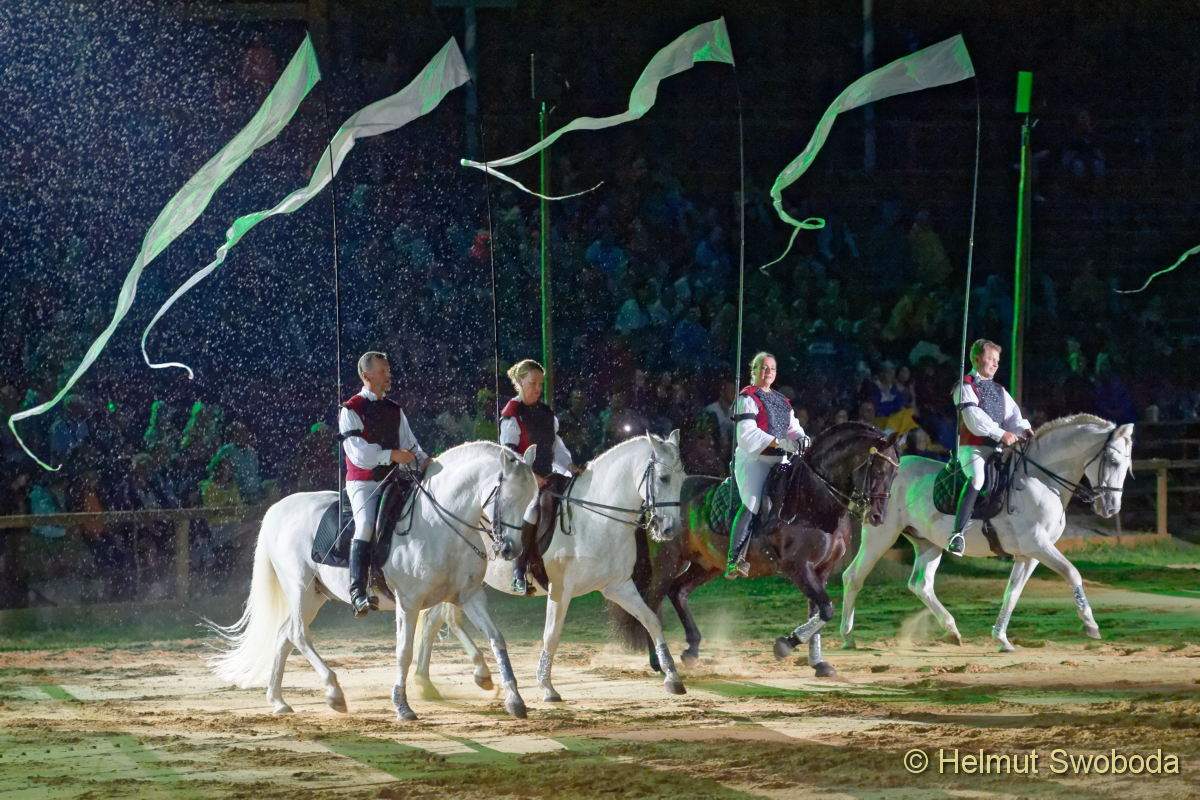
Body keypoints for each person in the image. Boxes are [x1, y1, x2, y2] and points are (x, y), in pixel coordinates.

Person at [339, 351, 429, 616]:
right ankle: (357, 591)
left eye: (388, 370)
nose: (388, 375)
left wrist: (427, 462)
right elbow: (359, 454)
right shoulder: (351, 409)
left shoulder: (394, 409)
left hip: (394, 479)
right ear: (366, 375)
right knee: (366, 524)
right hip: (364, 482)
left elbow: (411, 445)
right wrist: (391, 455)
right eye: (382, 371)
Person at [726, 352, 810, 578]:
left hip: (780, 459)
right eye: (763, 368)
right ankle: (735, 558)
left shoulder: (782, 401)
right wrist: (779, 442)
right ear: (753, 370)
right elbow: (747, 435)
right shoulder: (747, 398)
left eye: (772, 369)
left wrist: (801, 438)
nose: (768, 372)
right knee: (753, 503)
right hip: (754, 459)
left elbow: (793, 428)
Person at [500, 359, 578, 594]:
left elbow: (556, 445)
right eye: (533, 383)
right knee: (532, 510)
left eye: (540, 384)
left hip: (548, 475)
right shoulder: (512, 414)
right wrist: (531, 476)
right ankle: (519, 570)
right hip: (521, 480)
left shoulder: (546, 413)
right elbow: (510, 455)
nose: (538, 389)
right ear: (520, 382)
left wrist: (570, 465)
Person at [949, 339, 1032, 556]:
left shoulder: (999, 390)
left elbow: (1013, 416)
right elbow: (974, 419)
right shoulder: (965, 385)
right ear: (977, 359)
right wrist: (1001, 433)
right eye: (991, 359)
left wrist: (1024, 429)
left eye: (997, 360)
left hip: (996, 449)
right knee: (977, 478)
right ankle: (957, 534)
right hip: (972, 447)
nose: (995, 364)